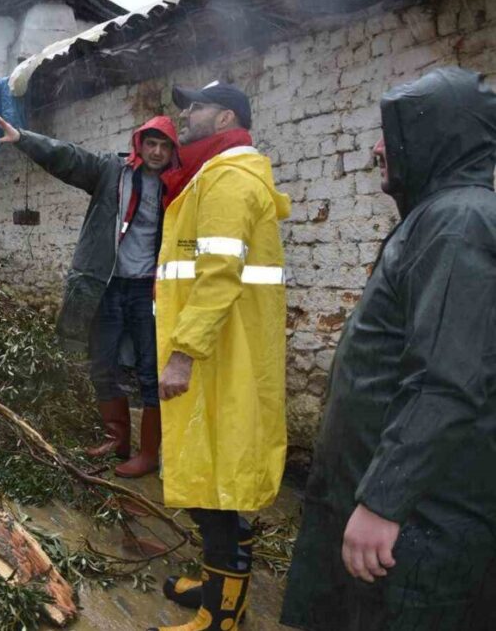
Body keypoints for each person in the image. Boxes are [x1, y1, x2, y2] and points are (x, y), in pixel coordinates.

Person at [280, 67, 496, 630]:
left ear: (437, 136)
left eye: (390, 130)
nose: (378, 146)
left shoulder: (459, 223)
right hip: (396, 511)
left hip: (420, 522)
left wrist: (383, 503)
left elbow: (445, 380)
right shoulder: (440, 216)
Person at [147, 80, 290, 631]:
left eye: (196, 106)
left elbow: (218, 275)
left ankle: (222, 615)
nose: (184, 114)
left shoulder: (228, 177)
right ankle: (217, 584)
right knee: (214, 476)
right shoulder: (213, 173)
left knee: (216, 482)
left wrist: (183, 354)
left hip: (215, 356)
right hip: (220, 349)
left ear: (226, 115)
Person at [0, 110, 177, 477]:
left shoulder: (177, 185)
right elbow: (69, 158)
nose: (156, 152)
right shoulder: (112, 172)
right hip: (105, 284)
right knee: (102, 364)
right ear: (139, 144)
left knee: (150, 370)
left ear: (173, 151)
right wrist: (24, 139)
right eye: (150, 143)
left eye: (163, 146)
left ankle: (149, 453)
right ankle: (116, 440)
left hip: (148, 290)